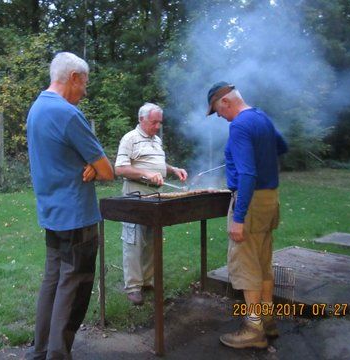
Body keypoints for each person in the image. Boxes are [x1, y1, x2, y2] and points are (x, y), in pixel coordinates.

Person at [26, 52, 114, 360]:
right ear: (73, 78)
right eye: (85, 83)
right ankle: (58, 355)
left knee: (53, 284)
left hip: (51, 215)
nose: (85, 91)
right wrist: (92, 164)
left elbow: (61, 157)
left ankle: (39, 352)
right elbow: (106, 171)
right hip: (77, 217)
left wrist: (88, 163)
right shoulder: (68, 114)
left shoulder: (36, 109)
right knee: (73, 291)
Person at [206, 82, 288, 349]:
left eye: (218, 111)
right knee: (263, 262)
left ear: (226, 102)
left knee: (247, 264)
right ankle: (267, 320)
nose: (220, 116)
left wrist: (239, 217)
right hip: (270, 198)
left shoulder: (240, 125)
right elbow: (282, 146)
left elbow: (248, 174)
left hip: (250, 201)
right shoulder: (262, 117)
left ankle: (253, 329)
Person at [115, 103, 188, 306]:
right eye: (154, 122)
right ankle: (133, 286)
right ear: (141, 119)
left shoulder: (156, 140)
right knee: (134, 240)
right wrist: (145, 174)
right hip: (135, 194)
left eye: (159, 123)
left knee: (152, 238)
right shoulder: (130, 139)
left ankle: (147, 281)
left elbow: (156, 164)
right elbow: (120, 168)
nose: (157, 126)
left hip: (155, 195)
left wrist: (173, 169)